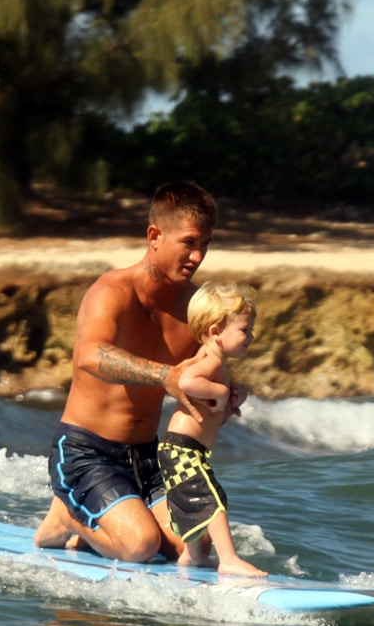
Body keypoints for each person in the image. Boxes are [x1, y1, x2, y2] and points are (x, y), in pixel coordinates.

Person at [33, 181, 221, 564]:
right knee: (140, 546)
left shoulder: (194, 307)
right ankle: (67, 515)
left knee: (195, 545)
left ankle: (107, 526)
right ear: (155, 236)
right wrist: (163, 375)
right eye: (189, 242)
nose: (197, 255)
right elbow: (90, 355)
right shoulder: (112, 291)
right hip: (88, 452)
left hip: (148, 457)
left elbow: (208, 367)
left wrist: (230, 390)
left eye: (205, 244)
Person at [157, 282, 265, 577]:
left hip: (185, 449)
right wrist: (219, 391)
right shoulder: (210, 359)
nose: (251, 337)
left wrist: (232, 397)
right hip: (183, 449)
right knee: (211, 501)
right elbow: (187, 382)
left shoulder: (217, 361)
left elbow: (213, 409)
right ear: (216, 332)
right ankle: (228, 559)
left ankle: (191, 557)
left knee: (192, 504)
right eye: (244, 330)